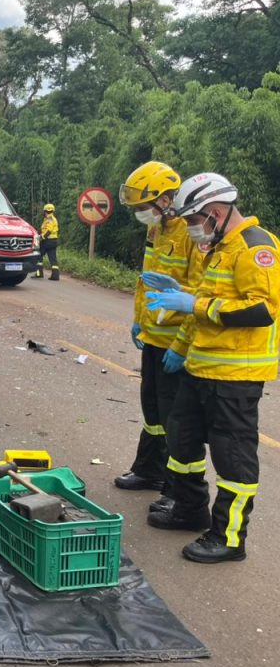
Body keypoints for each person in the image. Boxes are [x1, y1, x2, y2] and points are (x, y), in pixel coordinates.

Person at [145, 172, 280, 563]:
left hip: (235, 378)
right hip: (200, 369)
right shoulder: (218, 248)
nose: (191, 230)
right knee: (181, 442)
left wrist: (195, 304)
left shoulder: (257, 248)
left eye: (193, 221)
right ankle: (189, 509)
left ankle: (229, 537)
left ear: (216, 213)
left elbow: (262, 310)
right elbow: (206, 304)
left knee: (233, 460)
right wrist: (181, 339)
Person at [114, 162, 204, 516]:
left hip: (176, 344)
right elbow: (146, 281)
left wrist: (182, 343)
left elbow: (198, 291)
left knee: (175, 419)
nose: (140, 213)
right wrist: (139, 321)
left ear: (167, 199)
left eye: (144, 205)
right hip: (153, 336)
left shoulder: (190, 231)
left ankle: (175, 488)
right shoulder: (158, 230)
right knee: (152, 408)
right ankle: (149, 469)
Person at [35, 203, 59, 279]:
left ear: (45, 211)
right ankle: (55, 276)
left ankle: (39, 274)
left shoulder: (49, 219)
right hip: (54, 241)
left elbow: (49, 230)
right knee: (53, 259)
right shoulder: (53, 218)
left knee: (38, 256)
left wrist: (42, 237)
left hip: (47, 241)